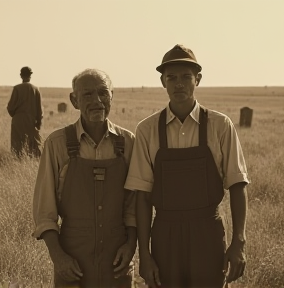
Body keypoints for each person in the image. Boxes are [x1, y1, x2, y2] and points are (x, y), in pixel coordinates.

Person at [124, 44, 249, 288]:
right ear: (163, 82)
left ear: (198, 79)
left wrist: (239, 242)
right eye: (171, 77)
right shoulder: (147, 130)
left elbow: (237, 185)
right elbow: (142, 197)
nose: (178, 83)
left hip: (208, 234)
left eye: (186, 77)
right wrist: (145, 255)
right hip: (164, 235)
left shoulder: (220, 125)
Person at [33, 69, 137, 288]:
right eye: (87, 94)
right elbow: (45, 212)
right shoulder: (57, 144)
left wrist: (130, 246)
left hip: (117, 259)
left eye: (103, 93)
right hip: (72, 260)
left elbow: (134, 207)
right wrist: (59, 257)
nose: (97, 101)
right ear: (74, 100)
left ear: (112, 96)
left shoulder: (128, 143)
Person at [7, 66, 43, 158]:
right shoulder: (36, 89)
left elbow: (10, 107)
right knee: (33, 146)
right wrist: (38, 122)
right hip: (31, 121)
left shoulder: (17, 88)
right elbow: (39, 109)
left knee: (17, 146)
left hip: (18, 120)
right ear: (30, 76)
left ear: (20, 75)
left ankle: (18, 163)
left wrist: (15, 115)